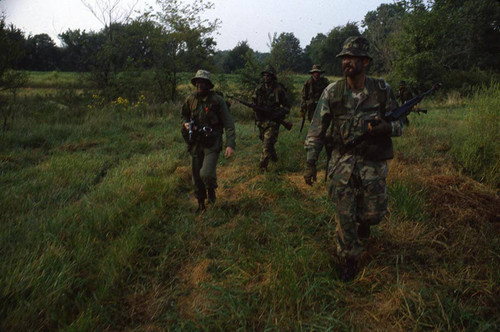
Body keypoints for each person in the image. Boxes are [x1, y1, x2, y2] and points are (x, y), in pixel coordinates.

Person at [303, 36, 403, 281]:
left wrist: (387, 129)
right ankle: (349, 259)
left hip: (372, 163)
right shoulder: (332, 92)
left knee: (373, 214)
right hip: (342, 162)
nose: (346, 62)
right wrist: (310, 162)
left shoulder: (381, 91)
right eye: (344, 58)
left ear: (365, 62)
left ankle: (365, 224)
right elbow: (317, 129)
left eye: (352, 58)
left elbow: (400, 124)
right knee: (344, 212)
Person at [181, 69, 236, 213]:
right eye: (198, 82)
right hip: (196, 142)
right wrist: (186, 123)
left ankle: (211, 189)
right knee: (196, 178)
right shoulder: (190, 99)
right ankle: (201, 204)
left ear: (208, 85)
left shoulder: (217, 101)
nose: (200, 85)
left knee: (205, 174)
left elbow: (229, 124)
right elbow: (184, 115)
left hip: (212, 142)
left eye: (203, 82)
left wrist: (230, 145)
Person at [252, 65, 291, 171]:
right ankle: (273, 157)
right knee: (266, 141)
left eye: (268, 75)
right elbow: (254, 104)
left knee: (267, 143)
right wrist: (257, 112)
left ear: (273, 76)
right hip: (261, 120)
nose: (266, 77)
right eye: (264, 75)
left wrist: (278, 114)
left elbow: (287, 106)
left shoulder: (279, 89)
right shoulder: (259, 89)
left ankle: (262, 167)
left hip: (274, 121)